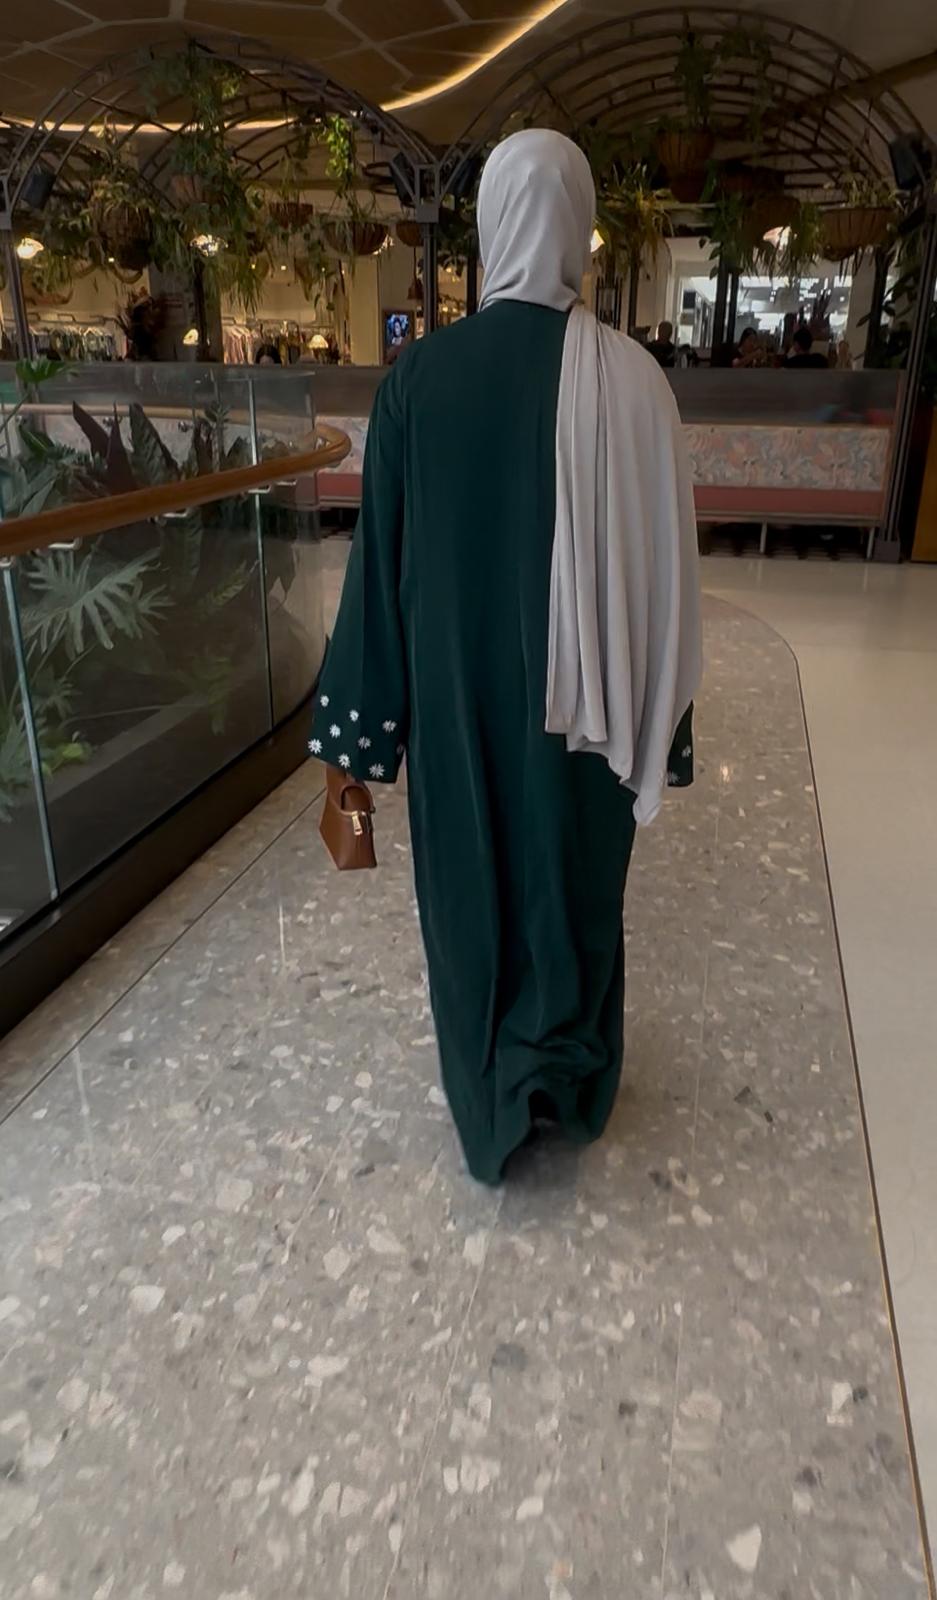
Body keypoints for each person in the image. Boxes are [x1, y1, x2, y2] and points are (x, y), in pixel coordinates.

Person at [308, 129, 702, 1184]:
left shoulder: (418, 384)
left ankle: (488, 1103)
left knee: (473, 888)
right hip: (594, 712)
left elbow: (380, 575)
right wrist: (664, 730)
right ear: (577, 228)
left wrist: (359, 739)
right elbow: (669, 572)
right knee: (574, 886)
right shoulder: (634, 381)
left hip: (457, 700)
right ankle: (571, 1083)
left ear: (488, 228)